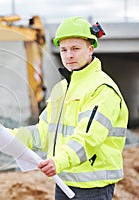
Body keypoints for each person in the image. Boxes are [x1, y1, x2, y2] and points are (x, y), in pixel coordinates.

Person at [12, 16, 128, 199]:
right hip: (64, 181)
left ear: (90, 49)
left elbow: (87, 139)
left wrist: (58, 162)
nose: (69, 55)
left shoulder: (101, 88)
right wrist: (9, 137)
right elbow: (43, 132)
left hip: (93, 188)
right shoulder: (62, 89)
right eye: (64, 49)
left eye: (75, 49)